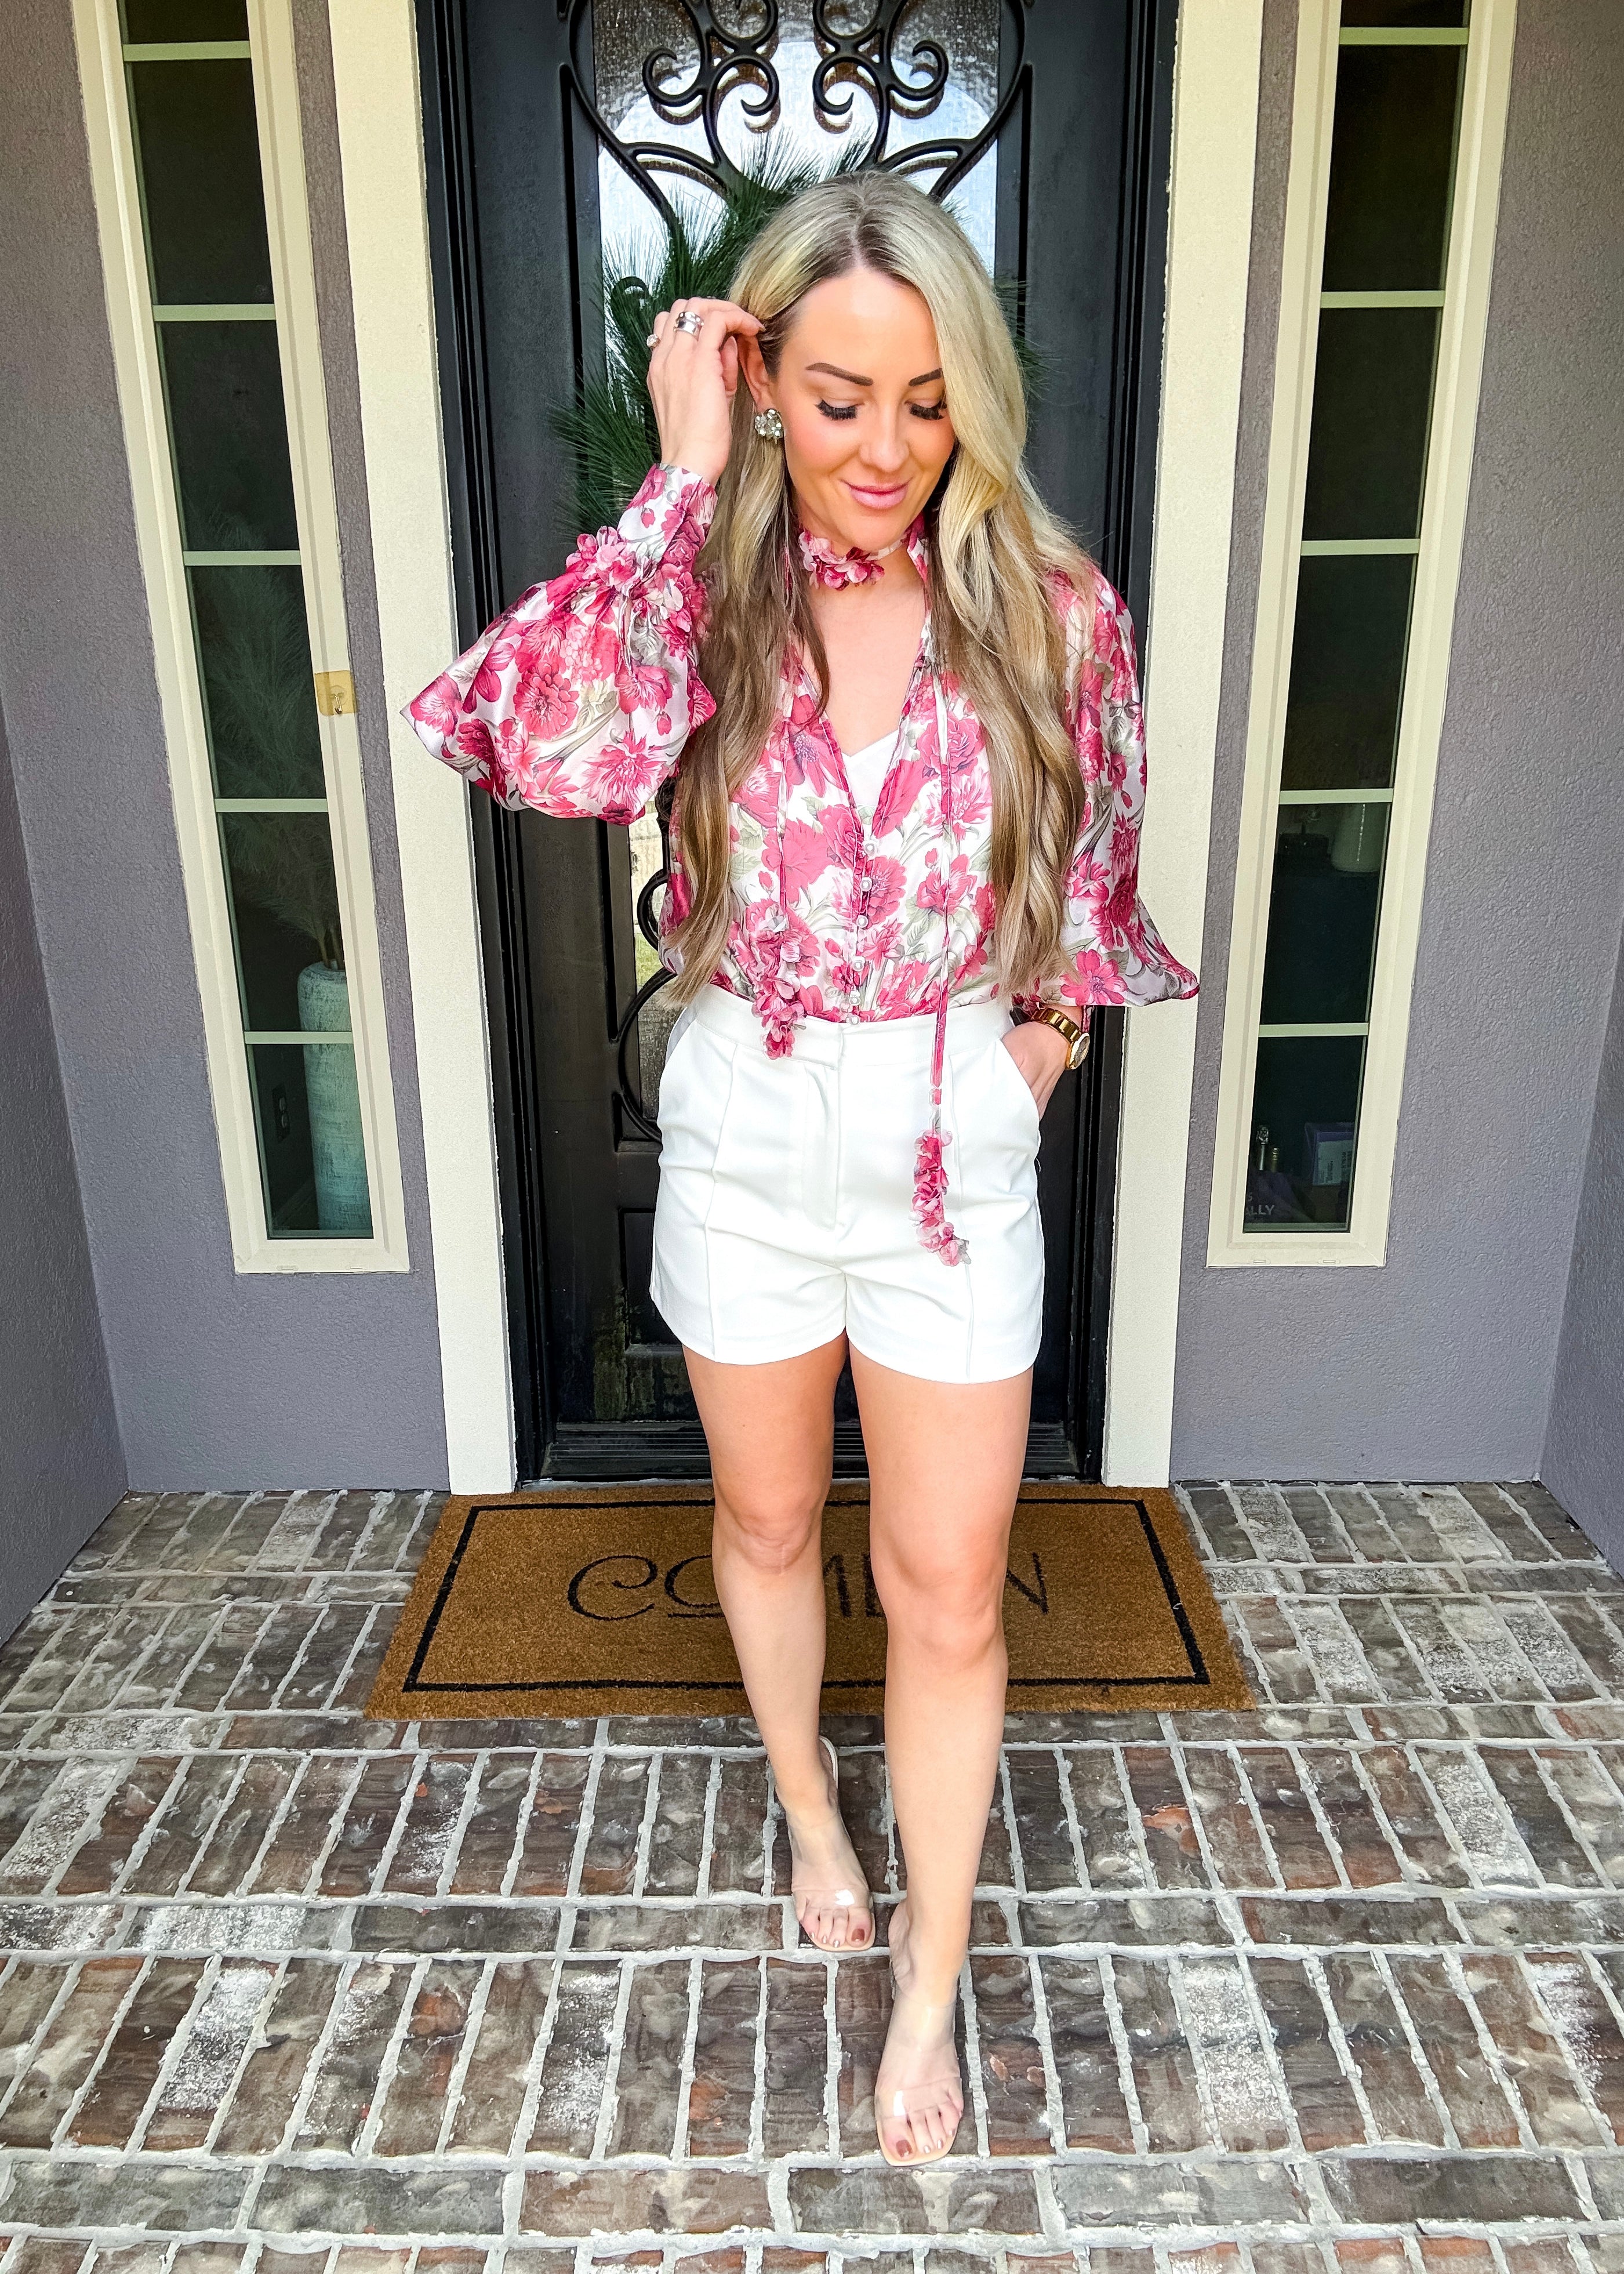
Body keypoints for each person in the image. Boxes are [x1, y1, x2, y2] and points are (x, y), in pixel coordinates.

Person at [407, 172, 1196, 2166]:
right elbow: (529, 741)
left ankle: (932, 1967)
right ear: (765, 383)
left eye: (927, 400)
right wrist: (678, 481)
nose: (884, 447)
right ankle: (807, 1807)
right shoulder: (697, 598)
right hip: (750, 1123)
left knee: (946, 1588)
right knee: (765, 1525)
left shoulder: (1055, 612)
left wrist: (1025, 1062)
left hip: (949, 1136)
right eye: (837, 398)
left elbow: (1090, 894)